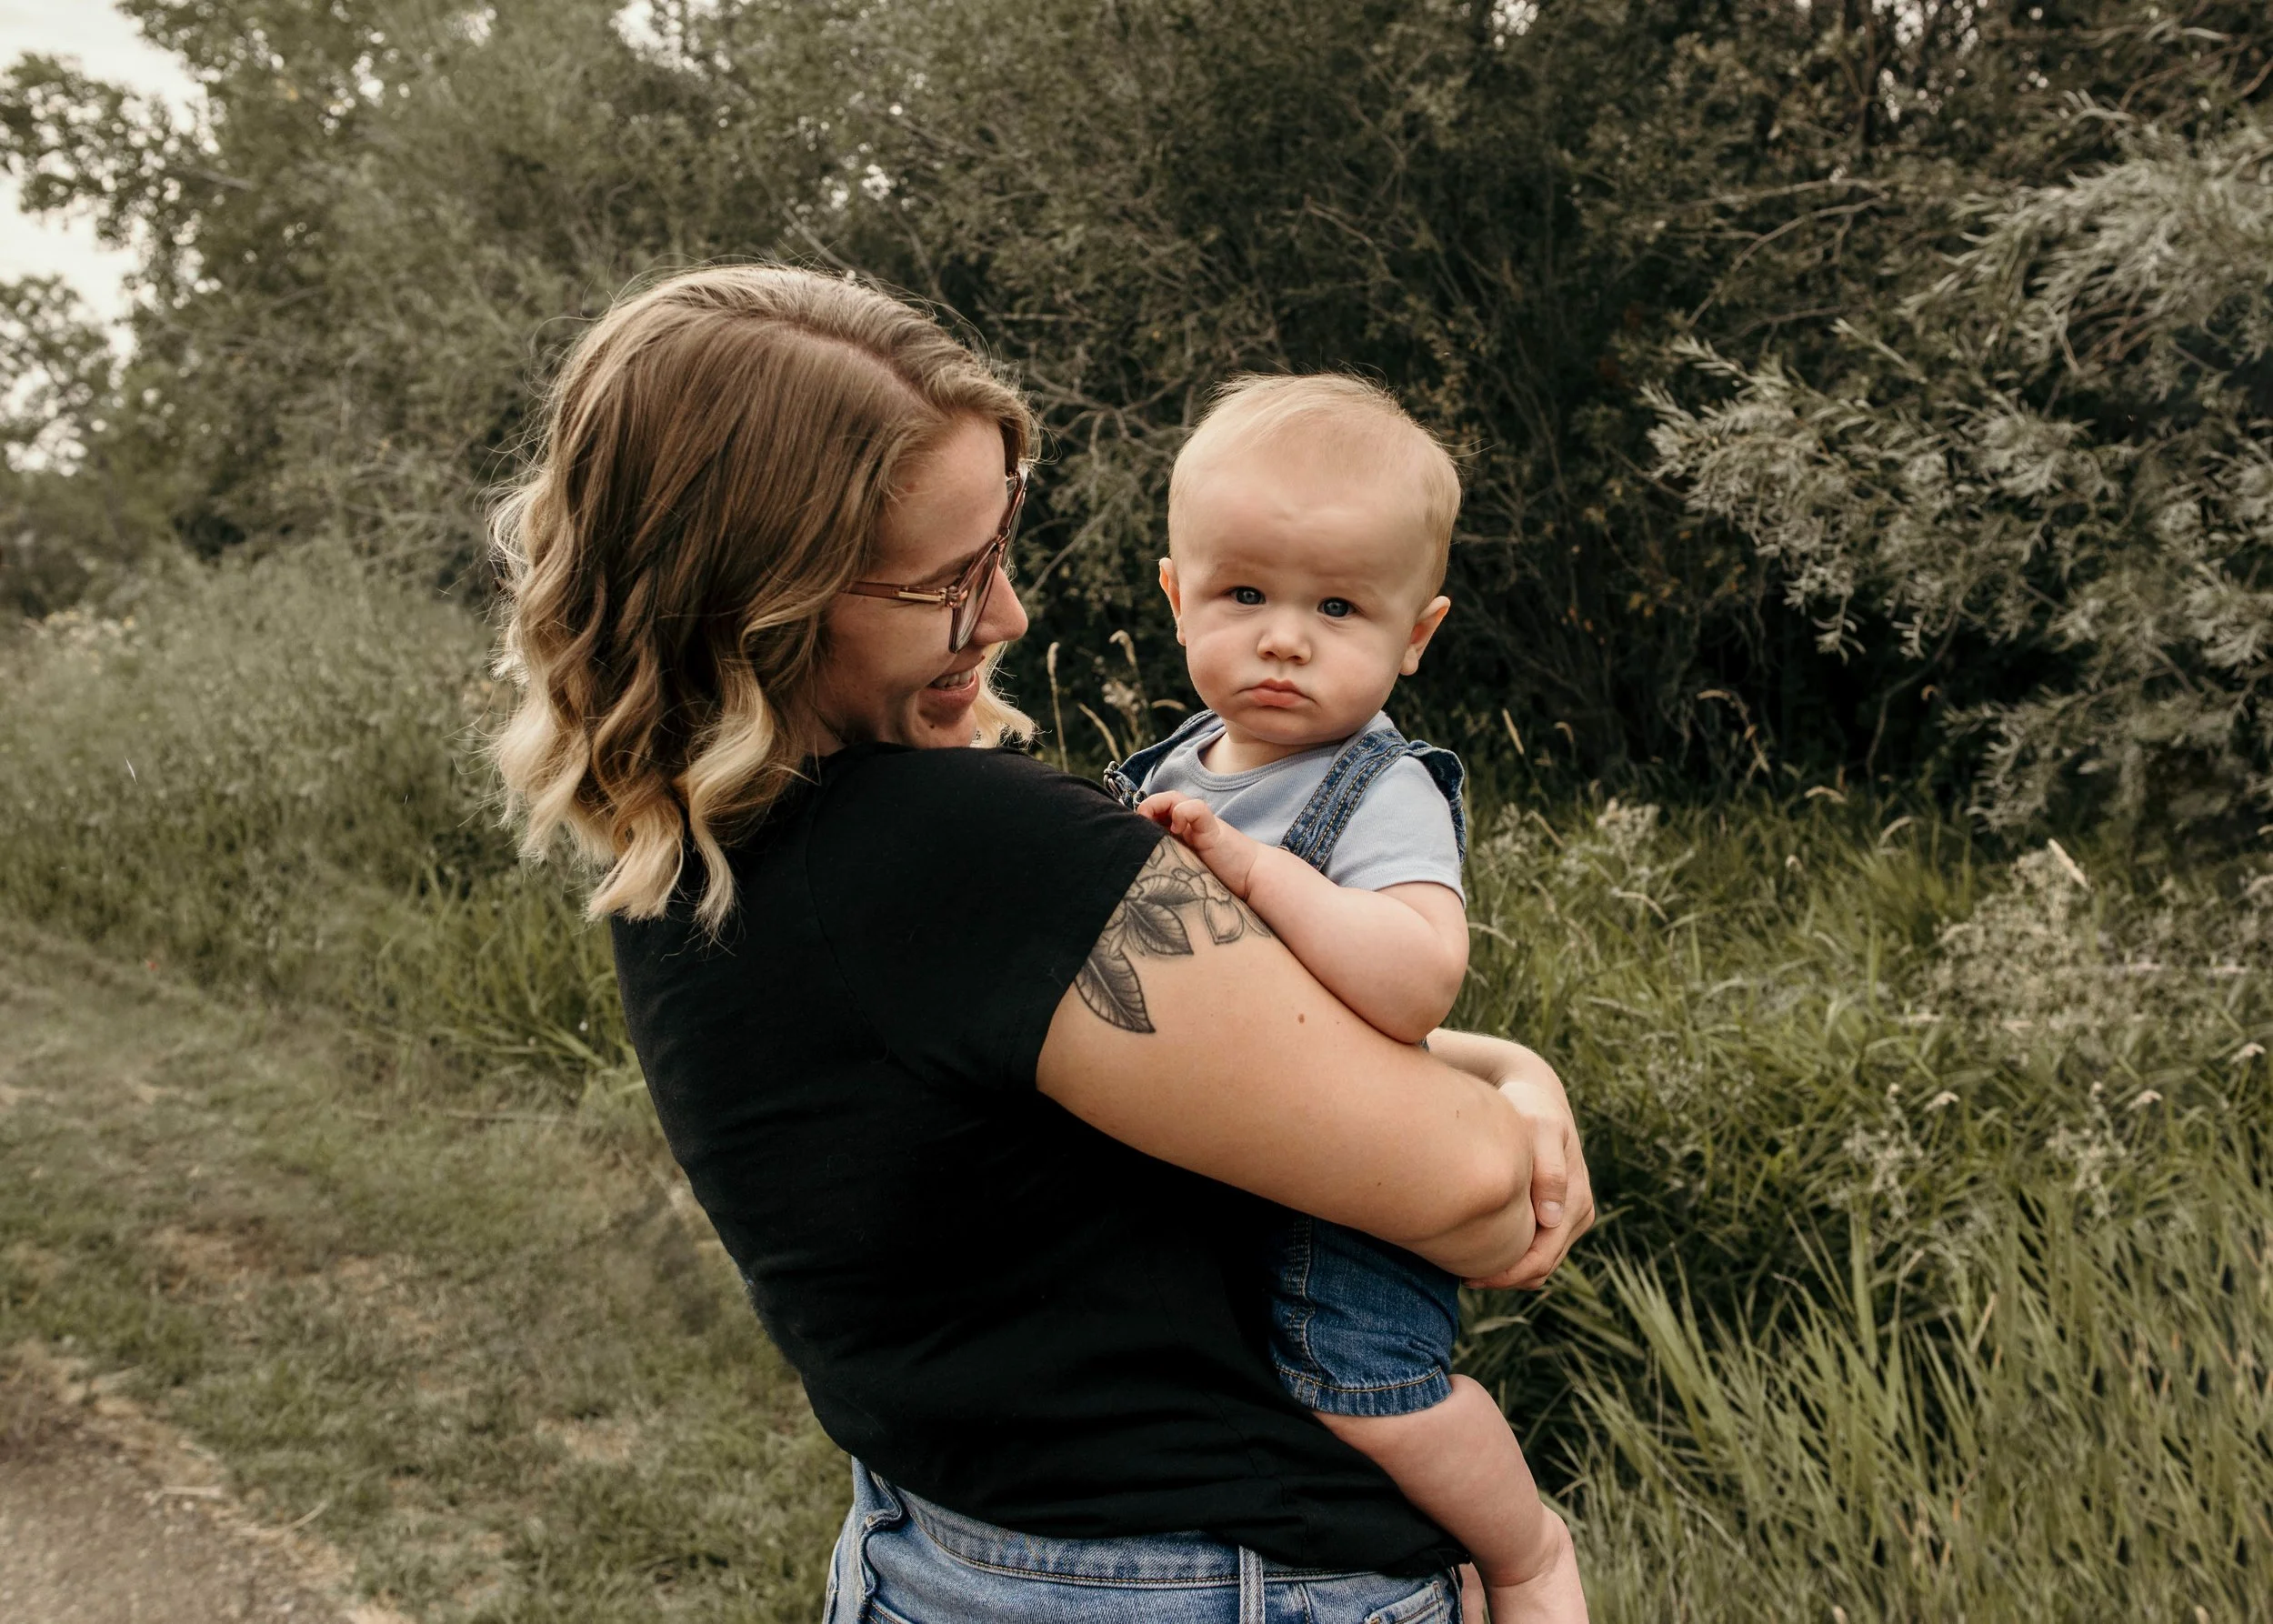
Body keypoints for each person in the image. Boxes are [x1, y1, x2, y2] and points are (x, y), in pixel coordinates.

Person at [488, 263, 1594, 1624]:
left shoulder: (691, 852)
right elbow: (1478, 1190)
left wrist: (1504, 1062)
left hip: (934, 1556)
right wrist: (1516, 1095)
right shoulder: (966, 852)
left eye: (1000, 552)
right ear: (770, 597)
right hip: (1191, 1584)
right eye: (951, 581)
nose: (1008, 616)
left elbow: (1198, 1057)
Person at [1109, 375, 1587, 1624]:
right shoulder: (1166, 767)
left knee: (1364, 1387)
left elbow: (1418, 977)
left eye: (1337, 607)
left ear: (1415, 635)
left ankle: (1524, 1551)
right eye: (1244, 595)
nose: (1285, 639)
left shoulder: (1381, 793)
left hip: (1352, 1202)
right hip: (1231, 1162)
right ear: (1177, 596)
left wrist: (1255, 871)